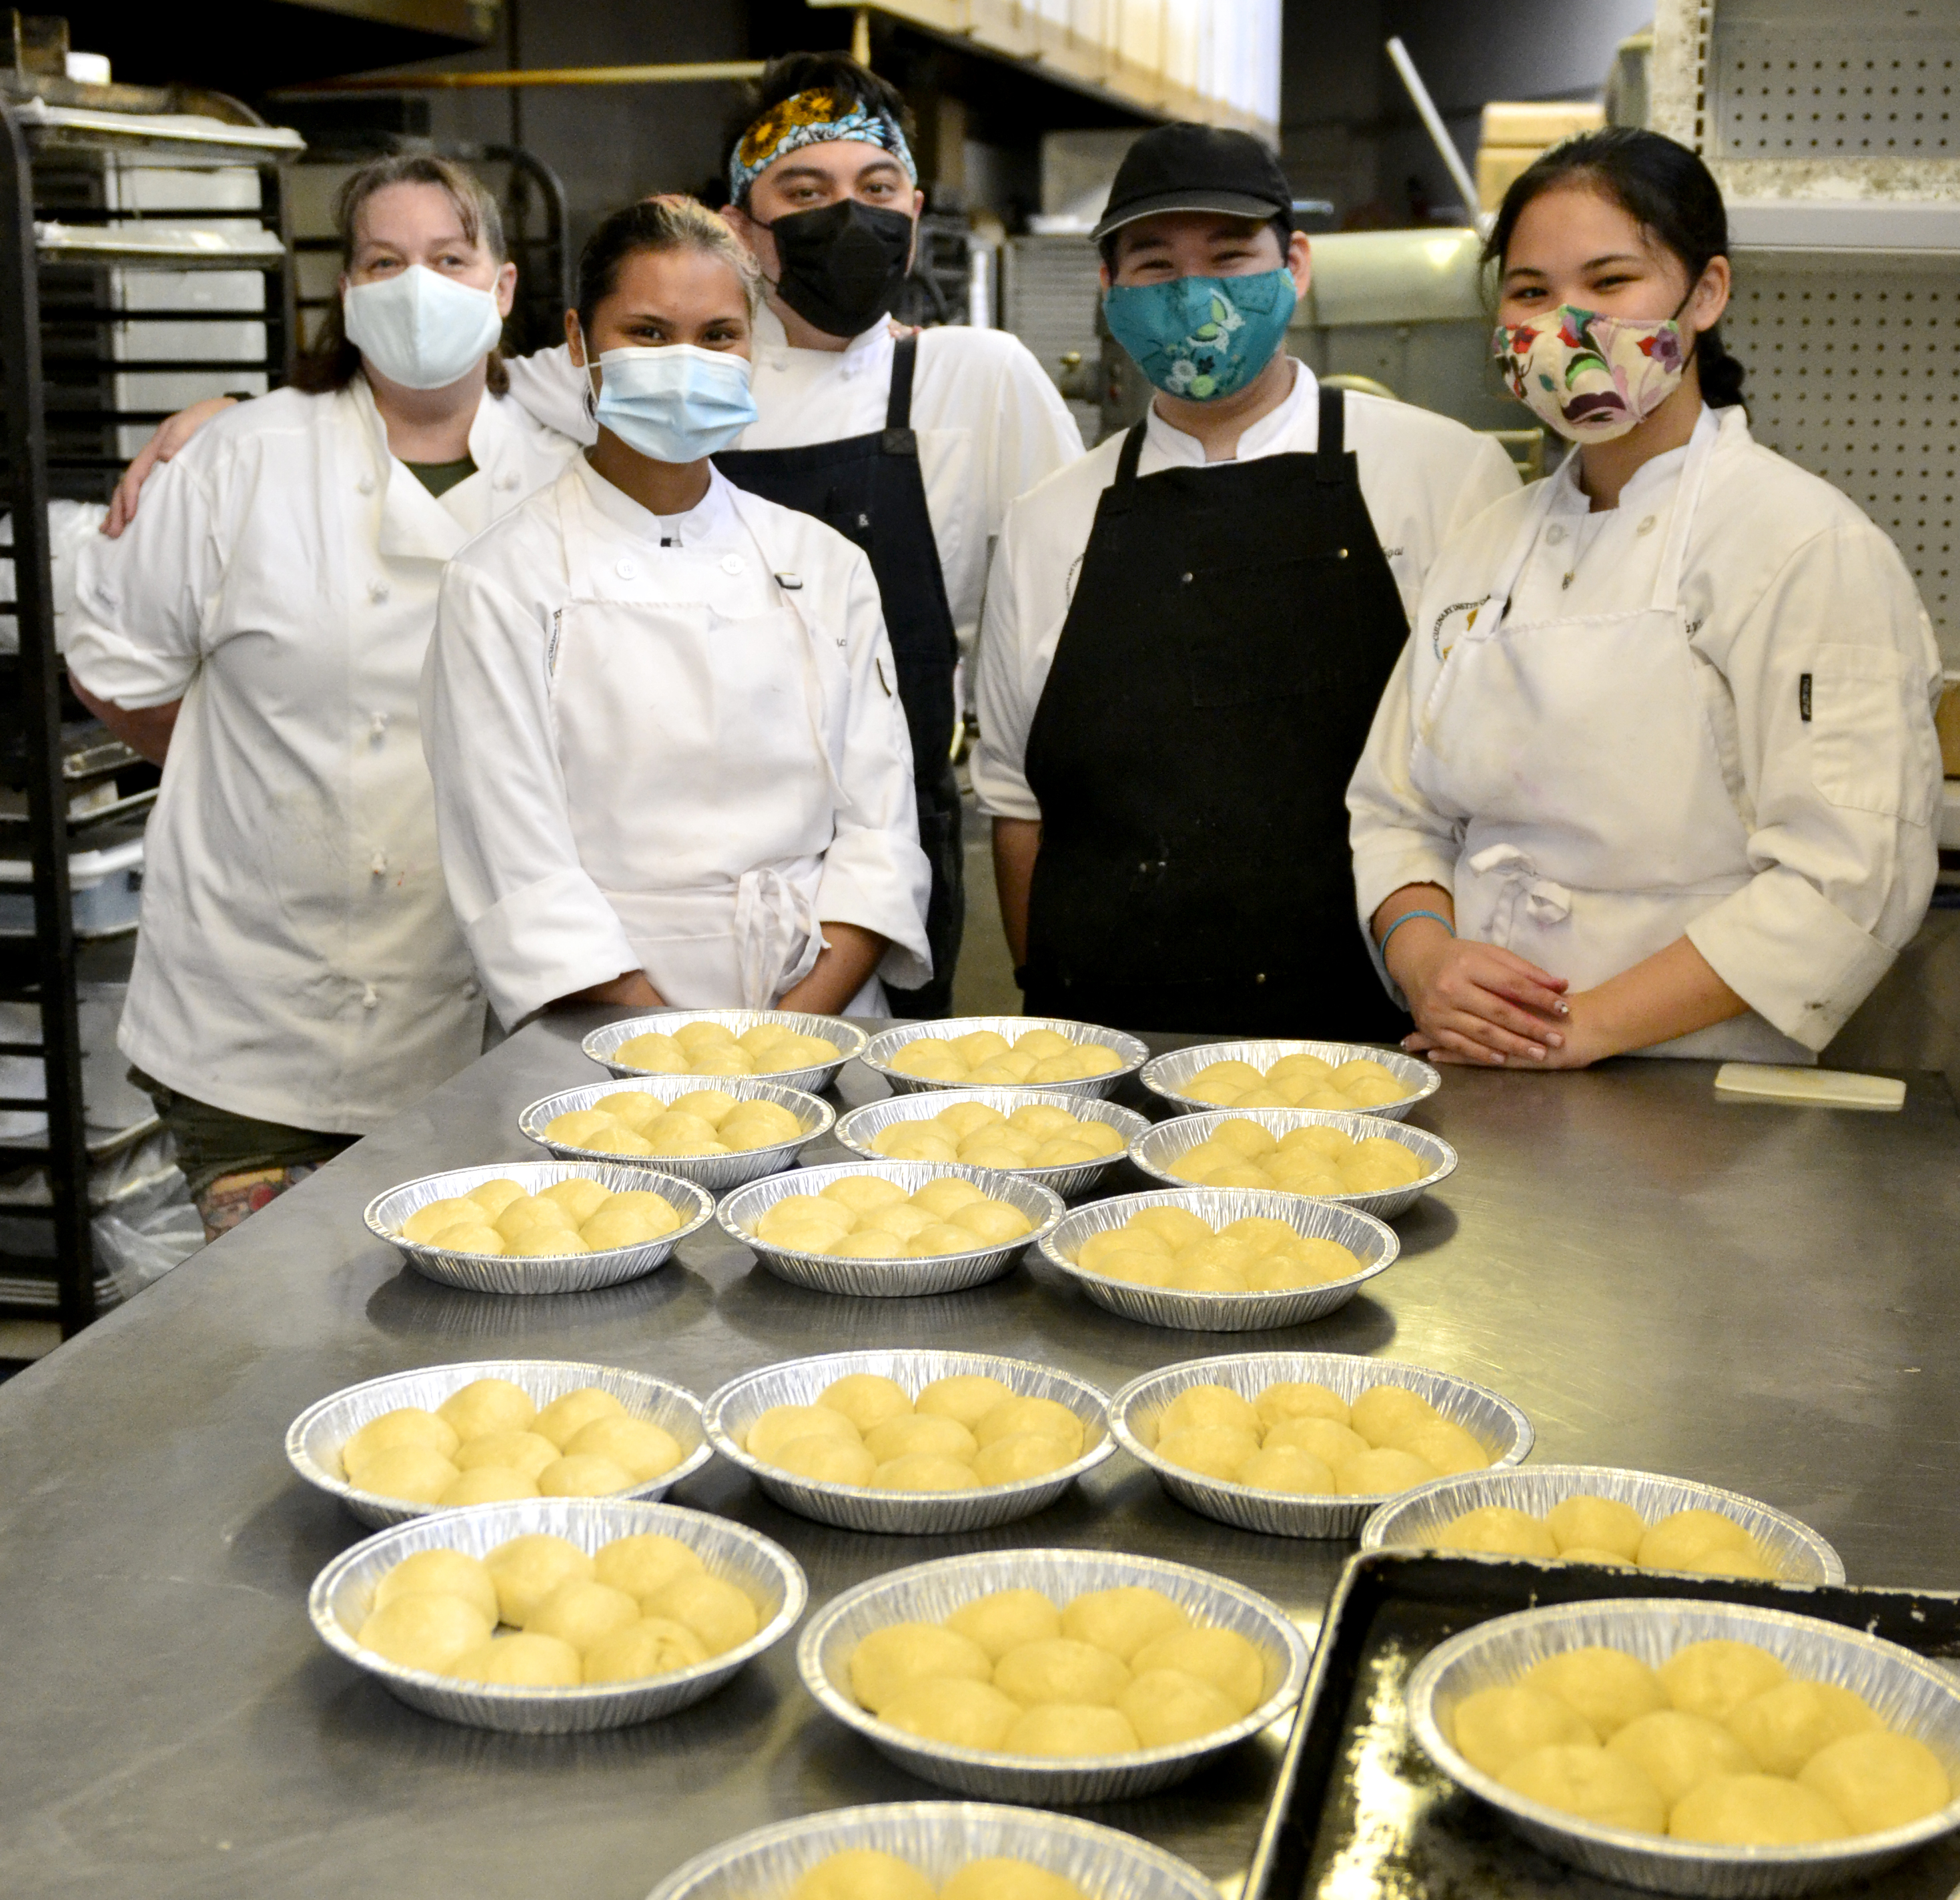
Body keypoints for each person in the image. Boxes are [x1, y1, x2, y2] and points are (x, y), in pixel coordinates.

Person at [482, 54, 1083, 1019]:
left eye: (876, 188)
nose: (849, 217)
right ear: (740, 223)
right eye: (805, 191)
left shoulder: (975, 377)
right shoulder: (680, 371)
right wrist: (221, 418)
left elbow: (1061, 621)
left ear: (915, 208)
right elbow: (466, 391)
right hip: (639, 915)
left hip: (880, 861)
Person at [1348, 129, 1943, 1069]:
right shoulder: (1484, 548)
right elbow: (1393, 810)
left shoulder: (1803, 545)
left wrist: (1581, 1028)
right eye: (1530, 292)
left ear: (1705, 293)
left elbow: (1848, 873)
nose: (1563, 325)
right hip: (1483, 1074)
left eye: (1610, 281)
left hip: (1700, 1096)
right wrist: (1425, 961)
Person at [65, 156, 577, 1240]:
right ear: (346, 294)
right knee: (278, 1350)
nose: (416, 287)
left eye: (448, 258)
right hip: (256, 1027)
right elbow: (113, 664)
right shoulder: (240, 458)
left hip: (492, 1024)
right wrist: (254, 776)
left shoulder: (567, 474)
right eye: (385, 262)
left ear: (502, 287)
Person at [973, 122, 1519, 1039]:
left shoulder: (1443, 476)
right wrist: (1045, 1001)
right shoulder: (1049, 518)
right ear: (1108, 288)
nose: (1194, 295)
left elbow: (1491, 784)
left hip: (1367, 1028)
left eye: (1230, 257)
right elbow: (1017, 807)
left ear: (1294, 264)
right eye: (1153, 267)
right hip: (1108, 1034)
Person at [421, 197, 930, 1027]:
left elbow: (878, 837)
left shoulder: (824, 566)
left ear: (751, 348)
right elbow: (520, 870)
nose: (684, 361)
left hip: (823, 1016)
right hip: (600, 1036)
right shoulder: (501, 582)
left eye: (718, 335)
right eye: (648, 333)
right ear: (582, 344)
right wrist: (678, 1054)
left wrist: (791, 1034)